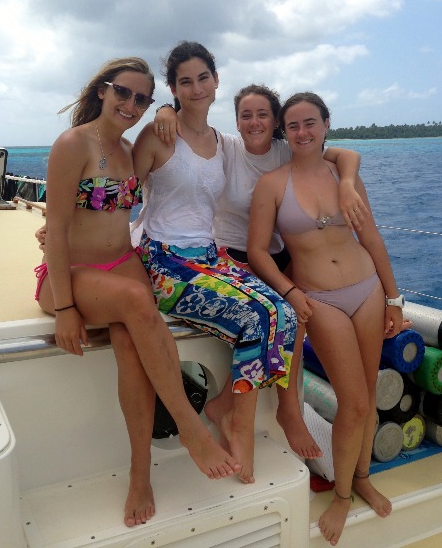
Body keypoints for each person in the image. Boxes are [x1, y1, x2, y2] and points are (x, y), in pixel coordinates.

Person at [34, 57, 240, 528]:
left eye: (141, 98)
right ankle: (191, 428)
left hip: (119, 263)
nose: (130, 104)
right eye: (122, 92)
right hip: (70, 273)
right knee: (134, 302)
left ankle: (140, 472)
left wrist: (167, 109)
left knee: (131, 341)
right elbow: (58, 229)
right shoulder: (73, 144)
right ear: (102, 91)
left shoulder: (130, 149)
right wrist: (65, 308)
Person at [153, 83, 368, 458]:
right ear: (237, 122)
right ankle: (284, 411)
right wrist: (166, 110)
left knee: (302, 312)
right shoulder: (226, 147)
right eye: (246, 116)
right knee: (287, 314)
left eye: (263, 115)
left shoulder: (287, 149)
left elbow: (345, 154)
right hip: (232, 252)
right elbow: (189, 129)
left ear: (276, 121)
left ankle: (278, 407)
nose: (254, 123)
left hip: (276, 254)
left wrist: (347, 182)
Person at [132, 41, 302, 485]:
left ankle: (226, 406)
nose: (196, 88)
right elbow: (119, 194)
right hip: (165, 262)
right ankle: (239, 426)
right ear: (173, 89)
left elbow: (270, 149)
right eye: (185, 82)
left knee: (285, 314)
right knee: (254, 316)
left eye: (203, 78)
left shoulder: (222, 143)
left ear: (216, 80)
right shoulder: (158, 135)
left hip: (208, 256)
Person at [247, 92, 403, 546]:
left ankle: (362, 477)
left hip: (367, 288)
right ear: (285, 131)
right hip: (320, 299)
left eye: (310, 122)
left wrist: (394, 299)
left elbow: (370, 238)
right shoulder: (272, 184)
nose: (302, 132)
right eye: (293, 125)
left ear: (326, 124)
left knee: (368, 394)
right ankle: (341, 494)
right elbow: (257, 251)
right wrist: (290, 291)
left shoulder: (343, 176)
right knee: (354, 401)